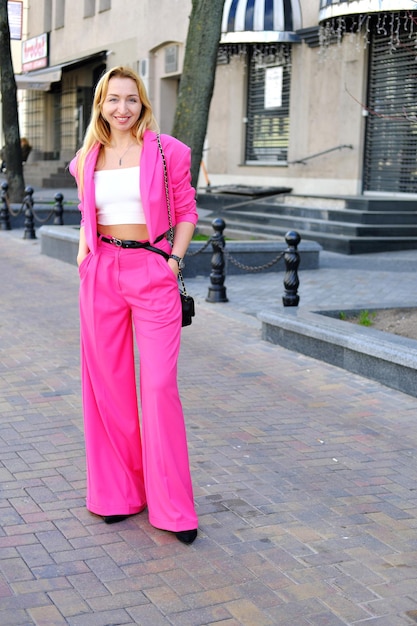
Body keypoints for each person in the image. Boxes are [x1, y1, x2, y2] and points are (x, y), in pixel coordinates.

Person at [69, 66, 198, 544]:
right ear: (100, 105)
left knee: (160, 386)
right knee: (108, 389)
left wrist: (172, 261)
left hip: (152, 271)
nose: (122, 108)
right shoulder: (86, 158)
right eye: (112, 100)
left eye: (131, 99)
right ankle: (120, 494)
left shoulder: (167, 152)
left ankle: (173, 509)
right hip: (102, 274)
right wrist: (84, 257)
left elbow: (186, 212)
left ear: (143, 103)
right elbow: (89, 215)